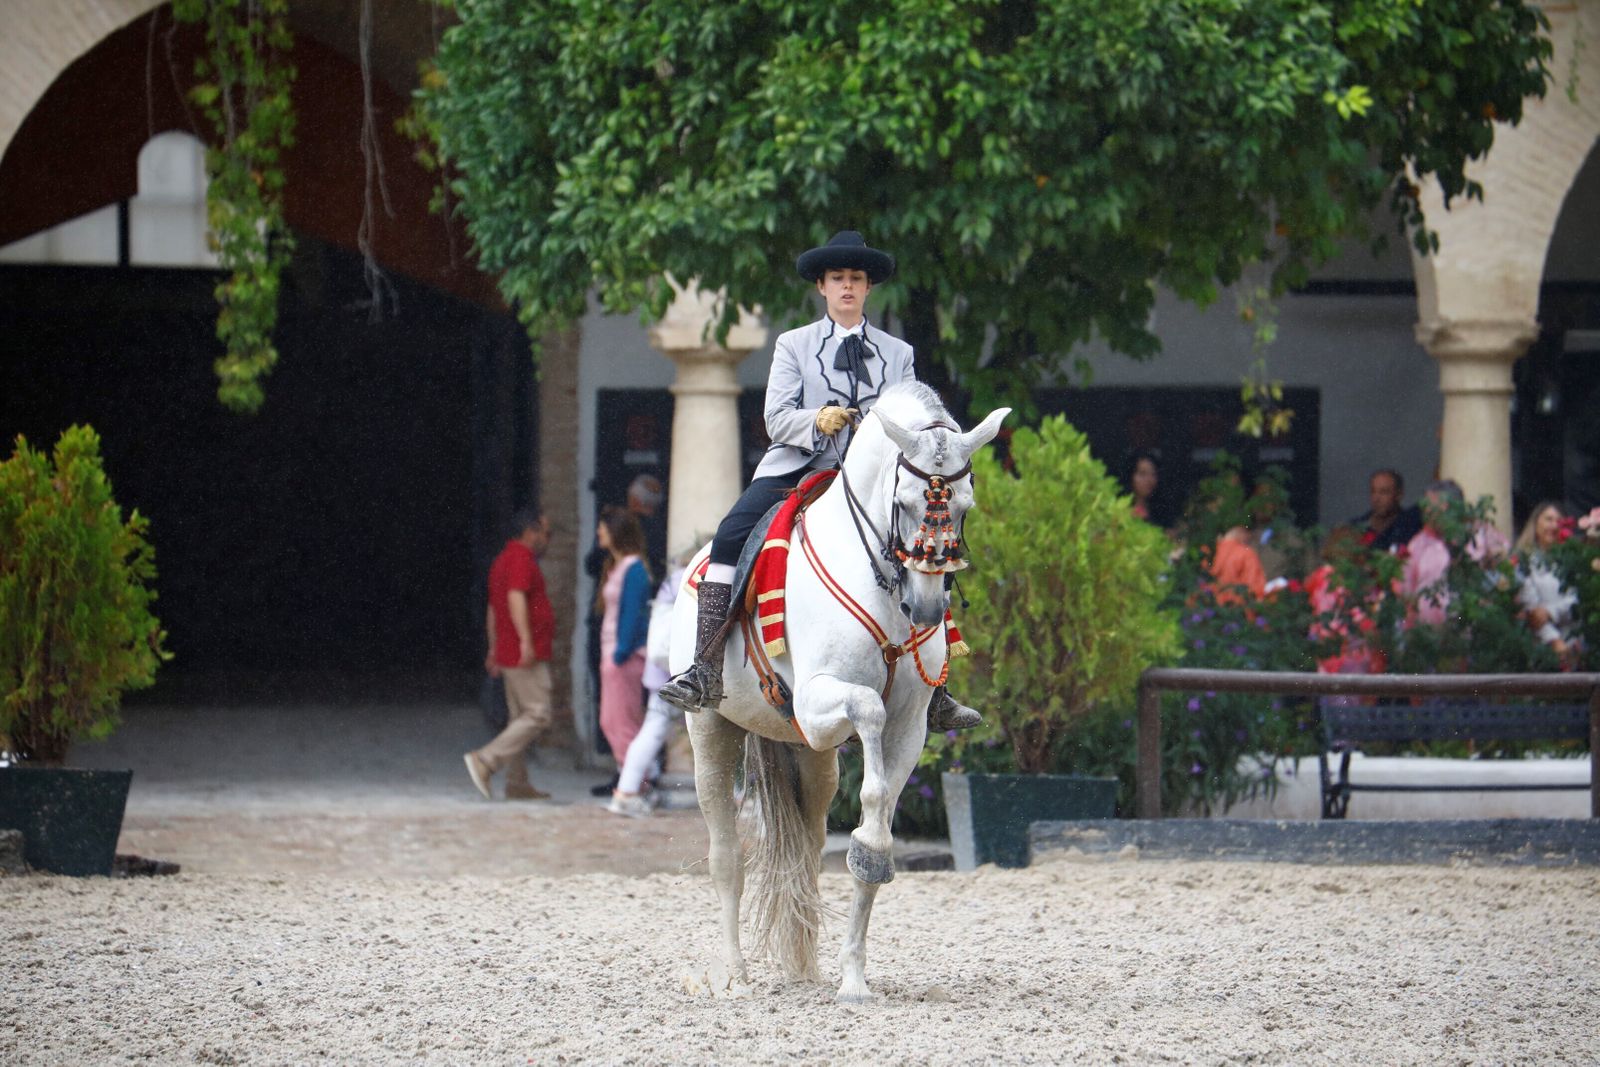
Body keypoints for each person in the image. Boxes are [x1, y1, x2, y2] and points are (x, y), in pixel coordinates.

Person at [656, 230, 981, 731]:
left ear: (868, 287)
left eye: (856, 279)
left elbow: (913, 426)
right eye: (837, 279)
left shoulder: (899, 354)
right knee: (729, 535)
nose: (847, 287)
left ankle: (935, 687)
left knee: (932, 535)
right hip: (799, 469)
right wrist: (816, 420)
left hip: (874, 484)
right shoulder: (794, 344)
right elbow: (774, 418)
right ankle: (706, 664)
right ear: (822, 288)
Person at [465, 508, 556, 801]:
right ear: (530, 532)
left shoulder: (502, 559)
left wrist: (493, 647)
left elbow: (494, 607)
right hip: (523, 654)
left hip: (508, 650)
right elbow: (514, 598)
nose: (546, 538)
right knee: (538, 713)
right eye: (544, 532)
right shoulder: (520, 559)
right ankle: (486, 759)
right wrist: (526, 642)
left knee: (519, 717)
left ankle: (517, 783)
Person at [608, 552, 692, 818]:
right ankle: (627, 793)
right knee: (655, 731)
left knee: (653, 730)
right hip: (678, 673)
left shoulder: (671, 583)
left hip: (661, 672)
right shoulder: (691, 581)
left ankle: (628, 790)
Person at [595, 506, 653, 786]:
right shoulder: (619, 566)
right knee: (613, 720)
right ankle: (632, 779)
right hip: (614, 654)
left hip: (623, 657)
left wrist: (620, 653)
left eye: (603, 529)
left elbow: (631, 615)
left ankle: (636, 782)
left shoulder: (634, 569)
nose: (599, 533)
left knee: (621, 722)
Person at [1514, 500, 1579, 660]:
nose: (1554, 525)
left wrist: (1550, 612)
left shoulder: (1572, 560)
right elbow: (1531, 607)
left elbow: (1575, 599)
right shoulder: (1524, 561)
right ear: (1536, 525)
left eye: (1558, 521)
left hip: (1574, 642)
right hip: (1539, 645)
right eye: (1548, 519)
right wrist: (1554, 641)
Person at [1350, 468, 1422, 553]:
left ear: (1399, 495)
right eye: (1373, 491)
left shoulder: (1411, 527)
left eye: (1383, 492)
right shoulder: (1356, 528)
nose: (1376, 498)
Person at [1126, 450, 1162, 525]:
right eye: (1142, 474)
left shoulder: (1159, 509)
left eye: (1153, 474)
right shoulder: (1123, 510)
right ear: (1131, 476)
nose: (1149, 480)